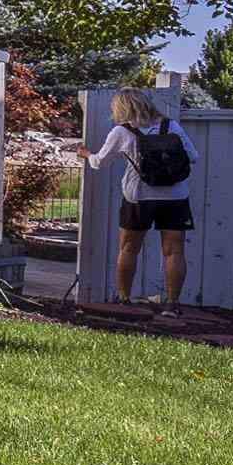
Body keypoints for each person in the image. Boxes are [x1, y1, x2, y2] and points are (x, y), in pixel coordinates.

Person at [86, 88, 199, 307]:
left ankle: (124, 299)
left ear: (121, 107)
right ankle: (172, 304)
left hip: (138, 197)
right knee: (174, 251)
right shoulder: (171, 126)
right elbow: (193, 157)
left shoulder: (122, 131)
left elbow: (99, 162)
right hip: (175, 197)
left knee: (129, 248)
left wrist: (86, 154)